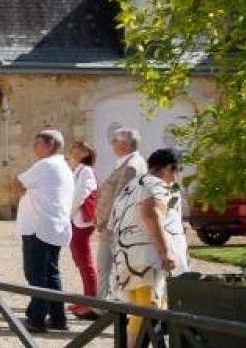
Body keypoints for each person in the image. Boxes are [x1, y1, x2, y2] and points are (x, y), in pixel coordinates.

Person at [109, 148, 189, 340]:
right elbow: (151, 212)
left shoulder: (132, 186)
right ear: (170, 168)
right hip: (149, 263)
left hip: (130, 260)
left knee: (141, 314)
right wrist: (166, 252)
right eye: (178, 172)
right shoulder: (157, 185)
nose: (177, 178)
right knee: (148, 315)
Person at [13, 129, 74, 334]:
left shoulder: (45, 164)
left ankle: (37, 319)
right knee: (51, 274)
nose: (34, 147)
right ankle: (58, 317)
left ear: (50, 145)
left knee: (36, 275)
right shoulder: (63, 165)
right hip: (55, 227)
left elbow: (17, 182)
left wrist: (23, 193)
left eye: (38, 143)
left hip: (38, 227)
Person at [96, 128, 146, 299]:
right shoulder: (127, 163)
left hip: (115, 229)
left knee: (110, 268)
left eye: (115, 141)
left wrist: (106, 225)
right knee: (105, 268)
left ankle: (108, 307)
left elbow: (119, 200)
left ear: (124, 144)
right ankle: (102, 304)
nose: (112, 145)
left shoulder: (131, 166)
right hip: (112, 227)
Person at [66, 142, 100, 319]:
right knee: (80, 260)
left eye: (77, 147)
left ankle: (91, 302)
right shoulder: (77, 170)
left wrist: (66, 214)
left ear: (86, 152)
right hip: (75, 220)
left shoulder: (86, 171)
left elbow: (79, 195)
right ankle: (87, 299)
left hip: (81, 222)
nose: (72, 150)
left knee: (85, 261)